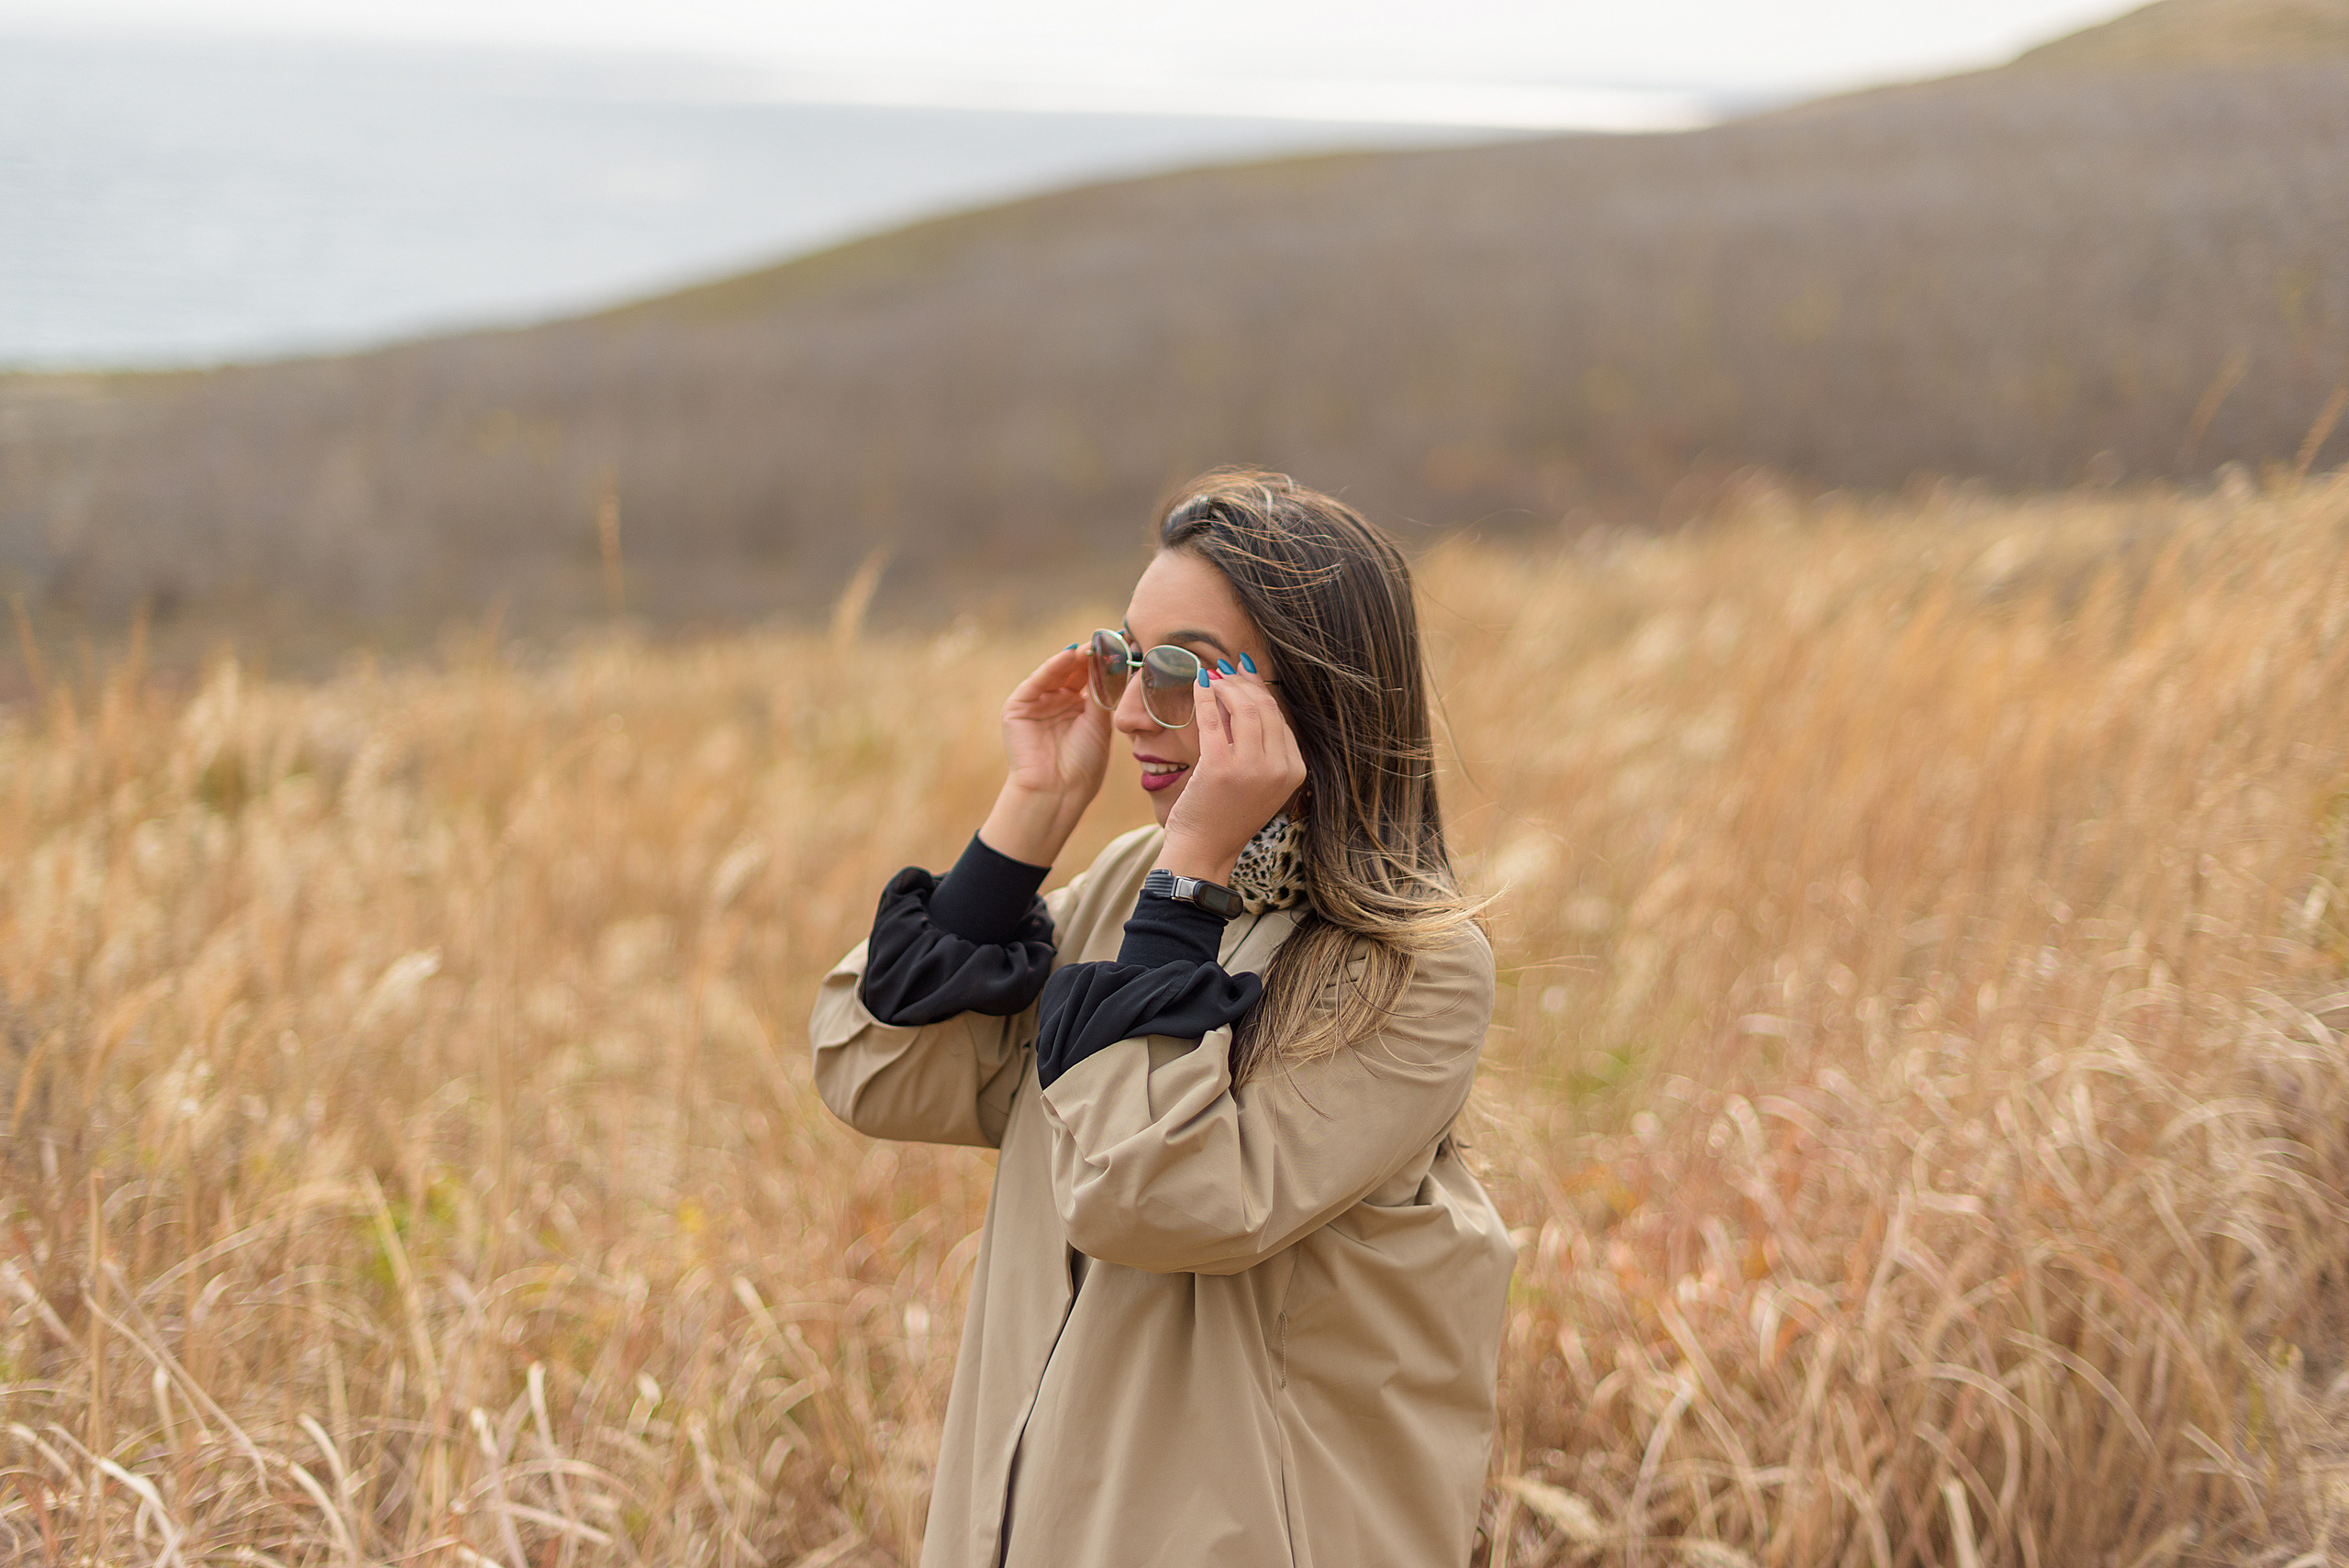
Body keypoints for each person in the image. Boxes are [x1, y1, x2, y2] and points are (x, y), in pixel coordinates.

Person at [809, 469, 1515, 1568]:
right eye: (1125, 658)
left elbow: (1157, 1195)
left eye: (1185, 670)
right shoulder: (1128, 884)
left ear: (1315, 695)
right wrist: (1029, 818)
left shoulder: (1409, 970)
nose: (1134, 707)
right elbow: (877, 1067)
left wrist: (1190, 875)